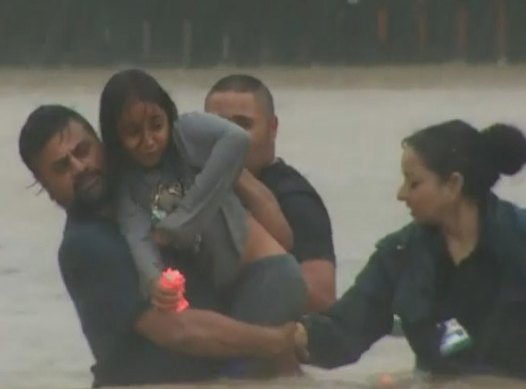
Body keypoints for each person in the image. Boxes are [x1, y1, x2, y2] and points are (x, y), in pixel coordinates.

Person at [18, 104, 305, 387]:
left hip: (224, 369)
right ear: (44, 184)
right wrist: (278, 340)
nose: (80, 167)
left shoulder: (152, 195)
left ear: (103, 144)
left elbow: (280, 242)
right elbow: (178, 332)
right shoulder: (86, 246)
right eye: (61, 166)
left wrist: (225, 168)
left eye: (82, 151)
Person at [291, 120, 526, 386]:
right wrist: (291, 336)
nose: (401, 194)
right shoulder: (400, 253)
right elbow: (345, 330)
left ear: (453, 184)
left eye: (414, 182)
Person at [98, 69, 304, 318]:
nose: (149, 141)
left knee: (248, 353)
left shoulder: (186, 134)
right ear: (115, 137)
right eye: (133, 133)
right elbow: (138, 238)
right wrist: (155, 283)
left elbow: (237, 139)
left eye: (156, 125)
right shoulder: (128, 187)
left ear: (168, 116)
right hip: (221, 291)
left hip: (266, 273)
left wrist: (183, 220)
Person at [205, 74, 336, 312]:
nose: (228, 137)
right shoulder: (189, 185)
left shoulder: (295, 199)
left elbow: (321, 297)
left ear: (272, 128)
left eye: (243, 125)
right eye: (216, 125)